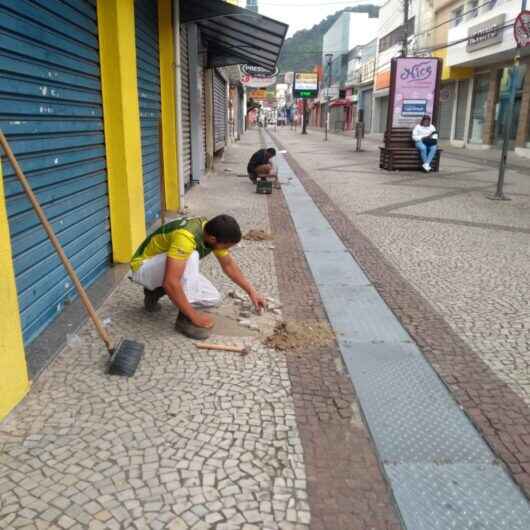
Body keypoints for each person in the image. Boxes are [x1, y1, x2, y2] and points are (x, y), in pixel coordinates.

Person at [129, 215, 265, 340]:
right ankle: (184, 320)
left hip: (165, 268)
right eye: (226, 246)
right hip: (143, 267)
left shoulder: (212, 231)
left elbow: (228, 266)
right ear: (213, 239)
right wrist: (194, 315)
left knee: (213, 298)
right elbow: (171, 282)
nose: (227, 249)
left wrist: (252, 292)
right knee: (191, 256)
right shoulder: (186, 237)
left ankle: (156, 291)